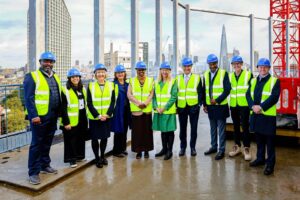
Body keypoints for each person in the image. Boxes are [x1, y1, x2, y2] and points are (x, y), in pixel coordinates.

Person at [24, 51, 61, 185]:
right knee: (36, 144)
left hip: (52, 115)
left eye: (51, 62)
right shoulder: (32, 76)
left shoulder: (55, 77)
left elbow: (58, 95)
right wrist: (34, 116)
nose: (48, 64)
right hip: (39, 118)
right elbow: (28, 98)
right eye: (45, 61)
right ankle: (33, 172)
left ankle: (45, 165)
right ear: (40, 62)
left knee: (47, 142)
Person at [246, 58, 280, 176]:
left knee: (270, 142)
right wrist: (252, 107)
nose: (262, 68)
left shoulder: (274, 81)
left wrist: (260, 107)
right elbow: (248, 95)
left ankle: (270, 164)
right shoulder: (253, 81)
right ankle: (260, 159)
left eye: (265, 67)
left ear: (269, 68)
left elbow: (274, 97)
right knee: (259, 139)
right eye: (260, 66)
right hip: (256, 115)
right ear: (257, 68)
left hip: (267, 116)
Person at [87, 63, 115, 168]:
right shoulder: (91, 85)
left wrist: (107, 114)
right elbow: (89, 103)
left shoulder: (111, 85)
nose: (101, 74)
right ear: (95, 74)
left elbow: (113, 101)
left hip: (106, 117)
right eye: (98, 72)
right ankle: (97, 158)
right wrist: (98, 115)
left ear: (105, 74)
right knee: (94, 138)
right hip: (95, 118)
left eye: (102, 72)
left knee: (104, 138)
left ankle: (103, 156)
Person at [203, 54, 231, 160]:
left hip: (220, 106)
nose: (212, 65)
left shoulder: (223, 73)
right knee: (213, 128)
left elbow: (227, 89)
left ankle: (221, 150)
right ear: (208, 64)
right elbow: (204, 90)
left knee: (221, 129)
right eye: (210, 64)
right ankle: (214, 147)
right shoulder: (206, 75)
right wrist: (205, 104)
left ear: (217, 63)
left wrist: (217, 100)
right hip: (210, 107)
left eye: (214, 63)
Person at [60, 68, 88, 168]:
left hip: (82, 117)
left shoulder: (83, 89)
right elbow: (63, 108)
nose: (75, 78)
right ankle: (72, 159)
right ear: (69, 78)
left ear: (80, 78)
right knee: (71, 140)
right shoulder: (65, 90)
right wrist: (66, 122)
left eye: (77, 77)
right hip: (71, 120)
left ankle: (80, 156)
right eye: (73, 77)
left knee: (81, 138)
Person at [228, 56, 253, 161]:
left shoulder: (248, 75)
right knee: (236, 126)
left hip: (244, 105)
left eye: (238, 63)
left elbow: (252, 90)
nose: (236, 65)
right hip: (234, 105)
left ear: (242, 64)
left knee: (245, 126)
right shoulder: (230, 76)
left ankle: (246, 148)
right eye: (235, 64)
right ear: (232, 65)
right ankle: (237, 146)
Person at [127, 61, 154, 159]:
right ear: (136, 71)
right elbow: (129, 94)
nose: (141, 72)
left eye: (142, 70)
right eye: (139, 70)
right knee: (137, 132)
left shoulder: (150, 80)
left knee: (147, 131)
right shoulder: (132, 81)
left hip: (146, 110)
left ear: (145, 70)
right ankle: (138, 151)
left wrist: (145, 103)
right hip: (136, 110)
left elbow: (152, 94)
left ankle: (146, 150)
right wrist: (138, 103)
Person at [176, 57, 202, 157]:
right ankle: (183, 147)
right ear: (182, 67)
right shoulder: (178, 78)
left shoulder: (197, 77)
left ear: (191, 67)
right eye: (185, 66)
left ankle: (192, 148)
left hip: (193, 107)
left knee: (194, 128)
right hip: (182, 107)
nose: (187, 68)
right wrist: (176, 106)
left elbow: (200, 92)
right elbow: (175, 93)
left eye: (189, 66)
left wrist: (199, 104)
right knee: (182, 129)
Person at [153, 62, 178, 160]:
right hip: (159, 111)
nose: (164, 72)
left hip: (168, 111)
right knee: (163, 131)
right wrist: (155, 107)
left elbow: (174, 96)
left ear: (169, 71)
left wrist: (164, 108)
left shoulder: (173, 82)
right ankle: (164, 149)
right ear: (160, 71)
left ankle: (169, 151)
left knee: (169, 131)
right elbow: (154, 97)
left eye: (166, 70)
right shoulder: (156, 82)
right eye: (162, 70)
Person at [111, 64, 131, 157]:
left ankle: (123, 149)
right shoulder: (113, 85)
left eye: (122, 72)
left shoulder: (127, 84)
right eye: (118, 73)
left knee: (125, 130)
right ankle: (116, 151)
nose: (120, 74)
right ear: (115, 74)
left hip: (126, 110)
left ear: (124, 73)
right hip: (117, 110)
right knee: (118, 131)